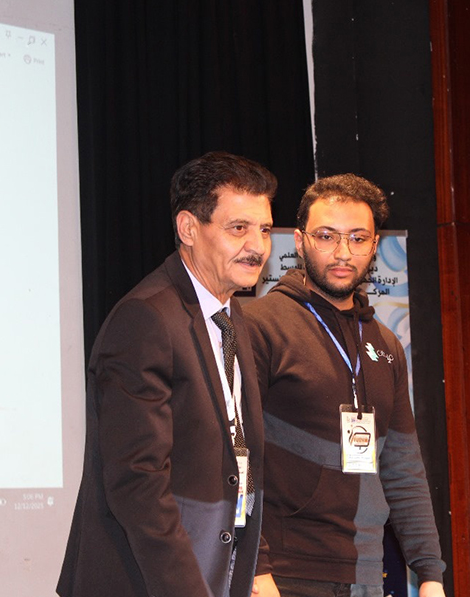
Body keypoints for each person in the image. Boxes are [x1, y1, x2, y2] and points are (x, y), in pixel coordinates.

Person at [57, 151, 277, 597]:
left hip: (220, 568)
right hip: (148, 581)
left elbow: (239, 455)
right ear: (188, 228)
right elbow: (137, 482)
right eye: (239, 228)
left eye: (265, 230)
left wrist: (256, 566)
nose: (257, 246)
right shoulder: (146, 319)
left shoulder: (233, 318)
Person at [244, 174, 447, 597]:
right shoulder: (259, 326)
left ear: (374, 246)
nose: (342, 252)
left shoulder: (386, 344)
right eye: (326, 236)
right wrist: (256, 567)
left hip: (365, 572)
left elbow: (403, 469)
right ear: (299, 242)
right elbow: (237, 455)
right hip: (284, 571)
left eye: (357, 238)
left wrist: (430, 574)